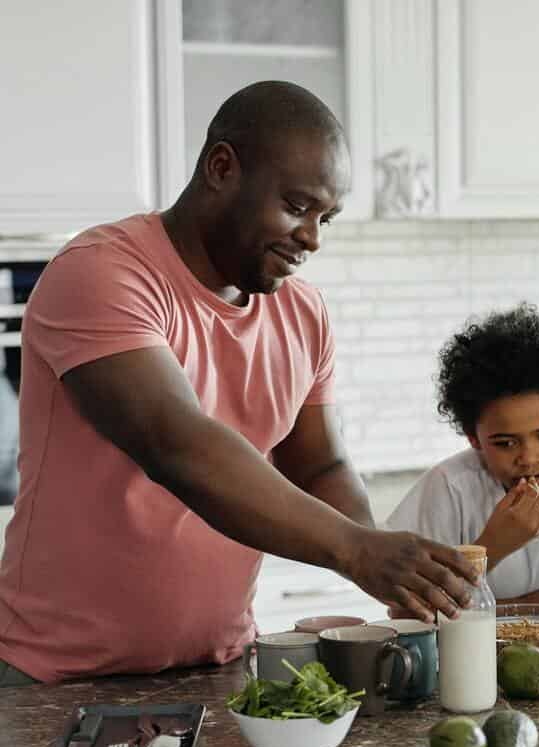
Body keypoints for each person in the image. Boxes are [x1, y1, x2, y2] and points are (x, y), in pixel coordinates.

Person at [0, 81, 475, 686]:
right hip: (55, 675)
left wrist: (384, 562)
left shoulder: (303, 312)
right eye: (297, 207)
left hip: (220, 666)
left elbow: (321, 465)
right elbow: (178, 446)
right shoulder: (102, 273)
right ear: (222, 167)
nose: (313, 238)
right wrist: (356, 550)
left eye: (326, 218)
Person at [386, 304, 539, 608]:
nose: (528, 458)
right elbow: (407, 611)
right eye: (505, 443)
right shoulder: (448, 488)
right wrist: (493, 546)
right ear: (473, 436)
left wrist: (491, 616)